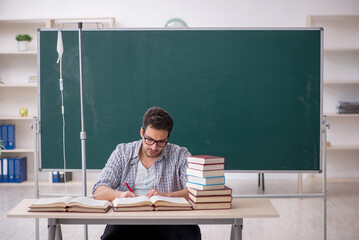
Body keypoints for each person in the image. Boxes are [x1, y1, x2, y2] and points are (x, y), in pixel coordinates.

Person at [93, 106, 201, 240]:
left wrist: (167, 197)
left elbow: (195, 190)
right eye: (149, 139)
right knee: (111, 237)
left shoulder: (180, 154)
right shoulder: (122, 152)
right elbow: (98, 190)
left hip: (170, 218)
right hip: (128, 219)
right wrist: (120, 195)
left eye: (161, 142)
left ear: (168, 138)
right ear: (142, 132)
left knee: (190, 236)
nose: (153, 147)